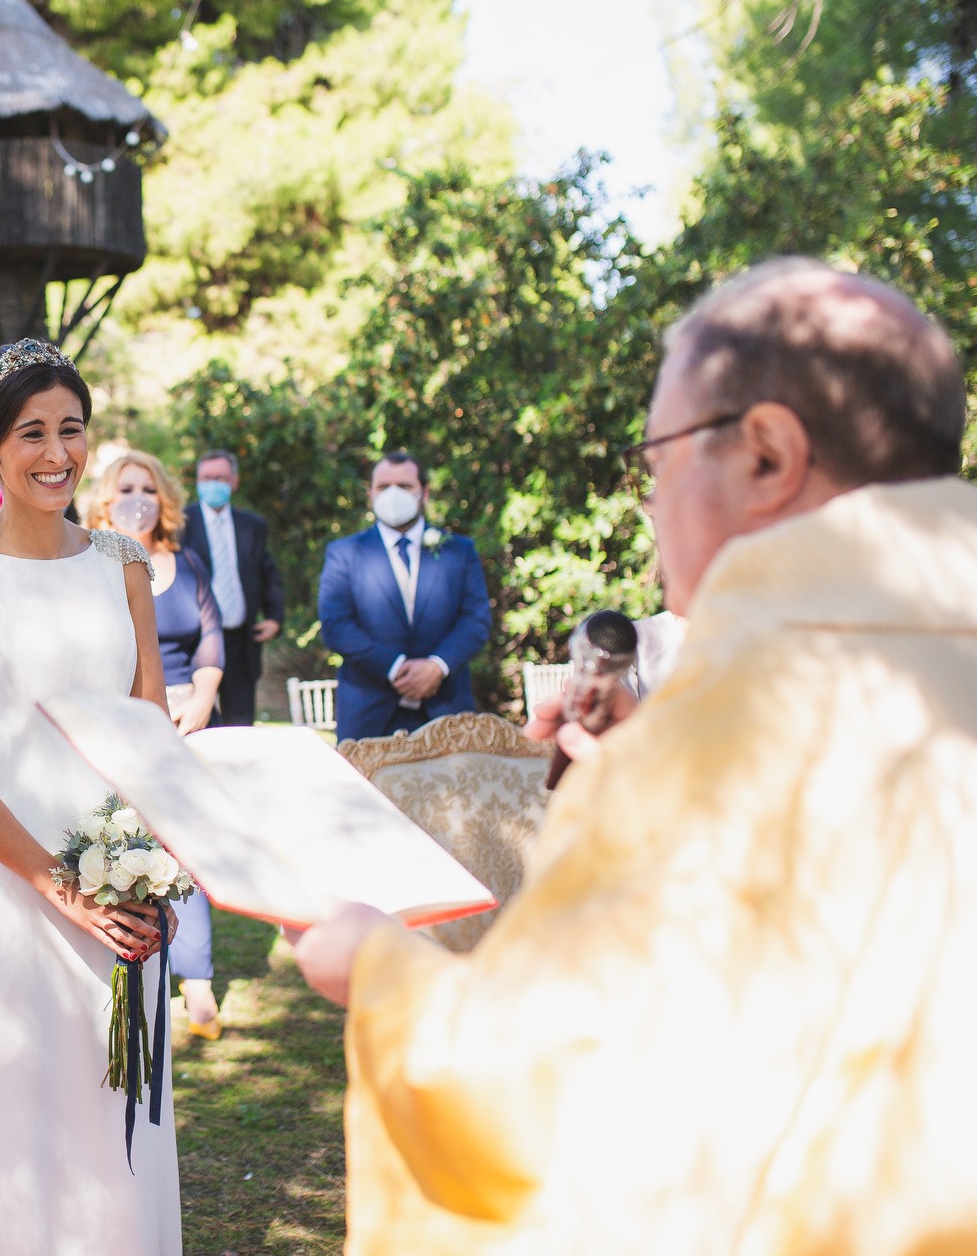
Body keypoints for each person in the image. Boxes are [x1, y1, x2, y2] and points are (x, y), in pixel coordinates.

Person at [295, 260, 975, 1254]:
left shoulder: (726, 732)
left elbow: (545, 1097)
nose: (647, 498)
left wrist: (380, 972)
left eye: (655, 455)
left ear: (764, 456)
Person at [0, 339, 178, 1253]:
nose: (57, 453)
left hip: (122, 891)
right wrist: (56, 883)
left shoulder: (123, 563)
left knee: (112, 1133)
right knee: (11, 1130)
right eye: (32, 433)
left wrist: (153, 871)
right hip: (3, 899)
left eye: (71, 429)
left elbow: (152, 732)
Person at [85, 449, 227, 1038]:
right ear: (105, 501)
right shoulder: (88, 564)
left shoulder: (187, 563)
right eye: (124, 489)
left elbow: (211, 639)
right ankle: (132, 963)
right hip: (117, 723)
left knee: (185, 849)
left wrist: (199, 699)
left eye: (147, 487)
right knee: (124, 845)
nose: (136, 498)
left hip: (184, 723)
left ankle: (197, 977)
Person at [316, 452, 491, 741]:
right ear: (370, 493)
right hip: (368, 712)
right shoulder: (344, 553)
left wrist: (437, 666)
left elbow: (476, 620)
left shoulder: (459, 551)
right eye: (384, 487)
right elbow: (336, 626)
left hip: (446, 709)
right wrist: (396, 668)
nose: (393, 494)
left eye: (405, 486)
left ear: (424, 492)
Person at [183, 450, 284, 726]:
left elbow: (267, 572)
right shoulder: (181, 523)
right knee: (195, 720)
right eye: (206, 477)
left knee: (240, 723)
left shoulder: (252, 525)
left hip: (241, 638)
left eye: (220, 477)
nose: (213, 484)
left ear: (234, 481)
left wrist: (275, 618)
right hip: (196, 639)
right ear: (197, 481)